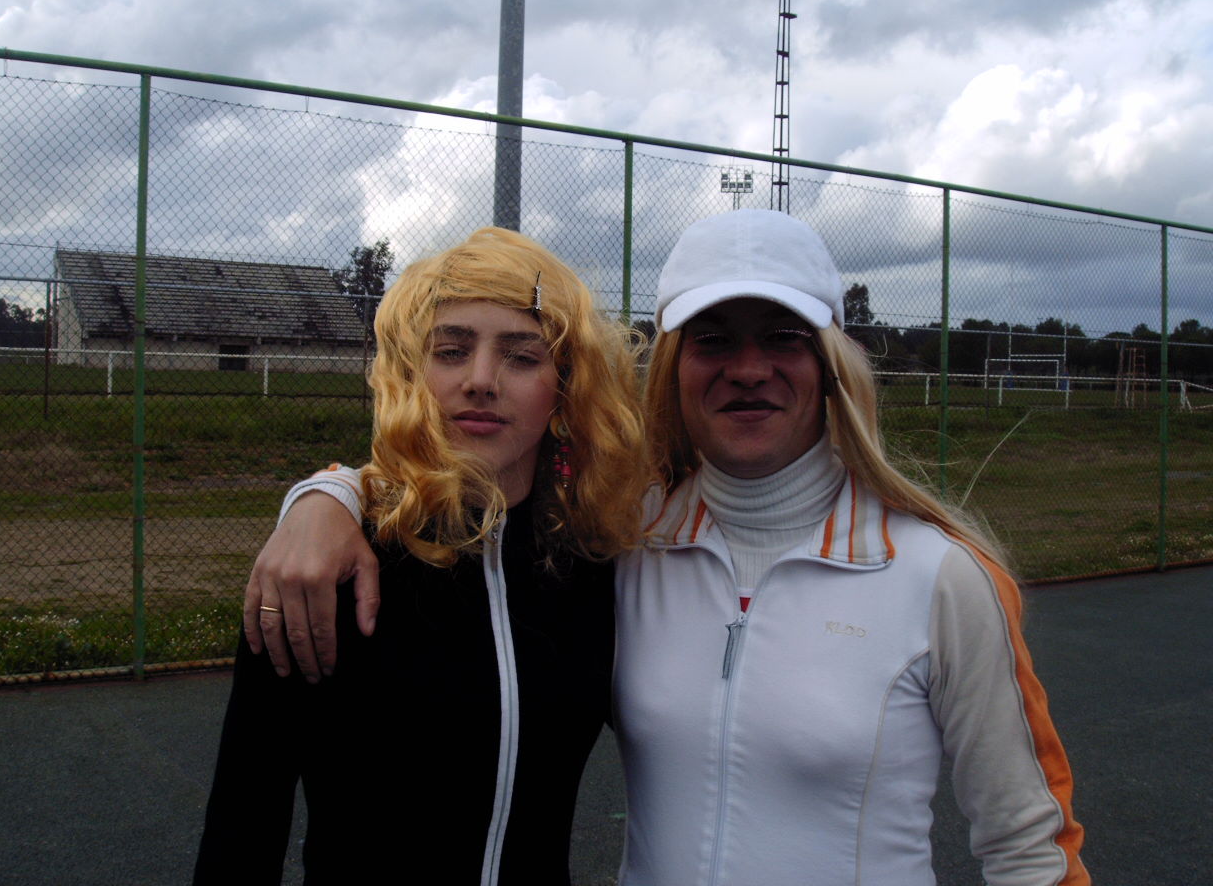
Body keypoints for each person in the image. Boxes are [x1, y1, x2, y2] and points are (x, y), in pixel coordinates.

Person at [245, 210, 1091, 885]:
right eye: (714, 339)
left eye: (783, 336)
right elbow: (471, 485)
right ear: (676, 365)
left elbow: (1030, 845)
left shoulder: (942, 576)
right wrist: (327, 496)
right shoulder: (628, 543)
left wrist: (322, 495)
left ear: (834, 362)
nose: (748, 368)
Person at [194, 227, 650, 886]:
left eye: (522, 357)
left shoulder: (596, 563)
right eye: (451, 350)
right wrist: (327, 492)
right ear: (412, 373)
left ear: (565, 389)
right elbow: (242, 825)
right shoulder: (326, 566)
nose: (481, 380)